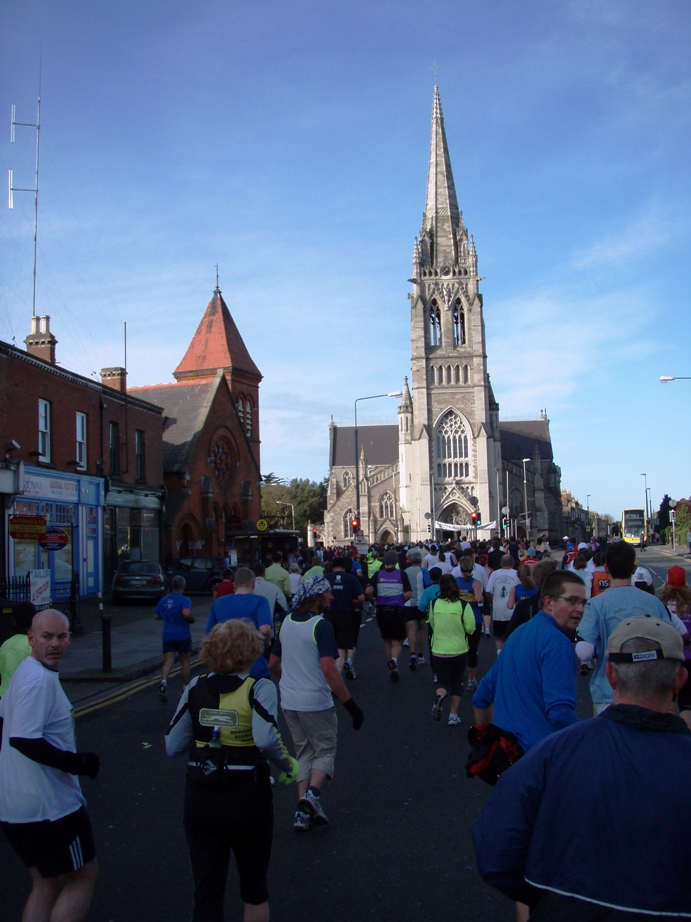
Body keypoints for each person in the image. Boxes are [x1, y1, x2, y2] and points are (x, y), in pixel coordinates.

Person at [472, 616, 691, 921]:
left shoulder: (552, 753)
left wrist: (547, 900)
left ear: (611, 676)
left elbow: (496, 851)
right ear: (680, 680)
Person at [165, 619, 298, 922]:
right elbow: (266, 739)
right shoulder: (259, 687)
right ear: (251, 651)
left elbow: (172, 746)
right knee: (254, 887)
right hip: (246, 794)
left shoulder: (195, 687)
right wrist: (289, 765)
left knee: (207, 892)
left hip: (200, 795)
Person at [0, 610, 100, 921]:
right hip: (50, 807)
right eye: (46, 637)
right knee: (83, 877)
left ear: (70, 639)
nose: (54, 643)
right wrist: (77, 763)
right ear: (31, 639)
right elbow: (23, 739)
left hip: (13, 805)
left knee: (44, 884)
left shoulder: (24, 673)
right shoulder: (39, 681)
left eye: (61, 637)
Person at [268, 577, 364, 831]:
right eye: (328, 593)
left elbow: (273, 664)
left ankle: (302, 813)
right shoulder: (321, 626)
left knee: (304, 754)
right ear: (317, 597)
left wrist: (292, 680)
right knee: (324, 750)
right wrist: (350, 704)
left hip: (288, 700)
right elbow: (329, 670)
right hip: (315, 702)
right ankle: (312, 795)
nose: (332, 597)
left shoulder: (286, 622)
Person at [472, 570, 584, 753]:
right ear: (549, 602)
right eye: (572, 600)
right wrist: (587, 742)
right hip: (543, 757)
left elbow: (481, 698)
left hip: (509, 757)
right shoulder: (557, 643)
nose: (580, 608)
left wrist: (489, 743)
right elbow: (560, 712)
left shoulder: (518, 634)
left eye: (582, 602)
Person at [576, 540, 676, 714]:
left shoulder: (595, 605)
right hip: (652, 693)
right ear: (633, 568)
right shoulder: (655, 603)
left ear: (606, 569)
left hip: (609, 693)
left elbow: (584, 651)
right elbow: (674, 638)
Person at [206, 568, 273, 679]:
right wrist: (267, 643)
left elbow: (208, 636)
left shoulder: (218, 603)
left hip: (225, 667)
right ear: (253, 584)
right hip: (254, 667)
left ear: (234, 585)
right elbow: (265, 629)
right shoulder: (260, 601)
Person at [428, 574, 476, 725]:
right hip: (458, 649)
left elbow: (432, 623)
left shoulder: (434, 604)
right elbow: (470, 628)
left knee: (442, 681)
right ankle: (453, 715)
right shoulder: (463, 605)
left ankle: (440, 697)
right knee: (457, 682)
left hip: (439, 649)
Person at [365, 550, 412, 682]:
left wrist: (374, 601)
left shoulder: (378, 575)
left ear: (384, 562)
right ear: (396, 562)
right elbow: (408, 594)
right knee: (397, 641)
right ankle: (394, 660)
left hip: (382, 611)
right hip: (396, 610)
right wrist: (399, 600)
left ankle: (393, 669)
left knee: (387, 640)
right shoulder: (401, 574)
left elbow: (368, 591)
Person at [659, 565, 691, 729]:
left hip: (669, 656)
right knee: (687, 703)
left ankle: (671, 736)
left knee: (669, 699)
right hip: (689, 657)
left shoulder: (662, 604)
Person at [154, 575, 195, 703]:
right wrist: (191, 619)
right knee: (185, 662)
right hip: (182, 635)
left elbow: (156, 615)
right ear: (183, 586)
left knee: (168, 661)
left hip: (168, 635)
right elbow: (186, 613)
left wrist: (167, 618)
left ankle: (164, 682)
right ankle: (184, 689)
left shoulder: (164, 600)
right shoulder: (184, 599)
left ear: (172, 586)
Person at [323, 557, 365, 677]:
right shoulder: (351, 579)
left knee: (329, 648)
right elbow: (361, 597)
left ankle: (328, 674)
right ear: (345, 568)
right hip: (346, 616)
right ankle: (336, 677)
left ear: (332, 567)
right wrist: (356, 602)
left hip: (329, 616)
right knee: (341, 649)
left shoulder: (326, 579)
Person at [455, 556, 483, 691]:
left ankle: (458, 676)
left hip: (458, 618)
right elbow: (478, 598)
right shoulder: (476, 583)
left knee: (458, 649)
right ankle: (471, 680)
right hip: (474, 619)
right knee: (472, 650)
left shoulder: (455, 582)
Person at [0, 601, 36, 697]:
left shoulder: (5, 645)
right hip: (27, 697)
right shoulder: (34, 645)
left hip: (5, 698)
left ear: (15, 621)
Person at [486, 555, 519, 651]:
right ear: (513, 563)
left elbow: (488, 591)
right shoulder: (517, 574)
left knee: (500, 637)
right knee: (513, 636)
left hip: (498, 610)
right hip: (513, 611)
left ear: (501, 564)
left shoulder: (495, 574)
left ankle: (500, 655)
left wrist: (492, 601)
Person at [404, 550, 427, 670]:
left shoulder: (405, 572)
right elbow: (428, 585)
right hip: (420, 603)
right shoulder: (423, 572)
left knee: (411, 630)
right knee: (421, 629)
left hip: (408, 604)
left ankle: (412, 653)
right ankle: (421, 654)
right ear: (420, 561)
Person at [252, 563, 288, 632]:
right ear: (264, 573)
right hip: (268, 630)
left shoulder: (247, 588)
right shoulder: (273, 588)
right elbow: (283, 607)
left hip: (250, 633)